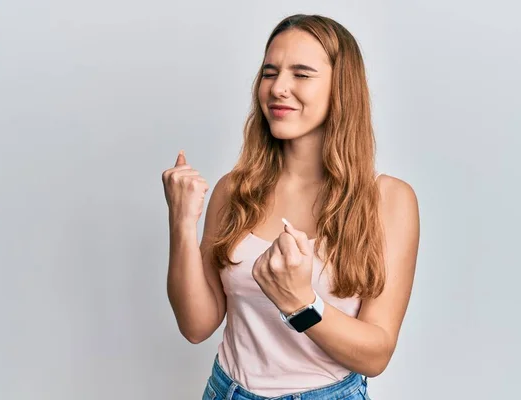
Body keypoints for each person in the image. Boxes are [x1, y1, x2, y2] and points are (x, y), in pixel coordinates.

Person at [162, 13, 420, 400]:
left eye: (301, 74)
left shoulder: (389, 200)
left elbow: (376, 354)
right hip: (226, 390)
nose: (278, 87)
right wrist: (182, 222)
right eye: (270, 72)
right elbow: (197, 325)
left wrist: (300, 302)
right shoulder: (235, 189)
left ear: (341, 88)